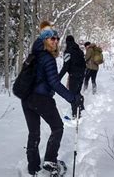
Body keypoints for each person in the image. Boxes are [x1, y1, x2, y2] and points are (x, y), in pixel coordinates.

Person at [21, 21, 83, 176]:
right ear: (44, 40)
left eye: (56, 38)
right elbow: (54, 83)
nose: (55, 41)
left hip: (26, 99)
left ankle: (33, 167)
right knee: (57, 127)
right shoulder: (47, 58)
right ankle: (50, 161)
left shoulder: (32, 56)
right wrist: (72, 98)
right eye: (51, 39)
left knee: (34, 133)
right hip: (41, 99)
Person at [58, 35, 86, 118]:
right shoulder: (79, 51)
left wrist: (58, 77)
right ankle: (80, 107)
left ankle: (75, 114)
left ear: (67, 42)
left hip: (74, 75)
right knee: (77, 92)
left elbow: (65, 66)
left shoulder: (67, 51)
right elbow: (84, 63)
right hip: (81, 75)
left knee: (72, 95)